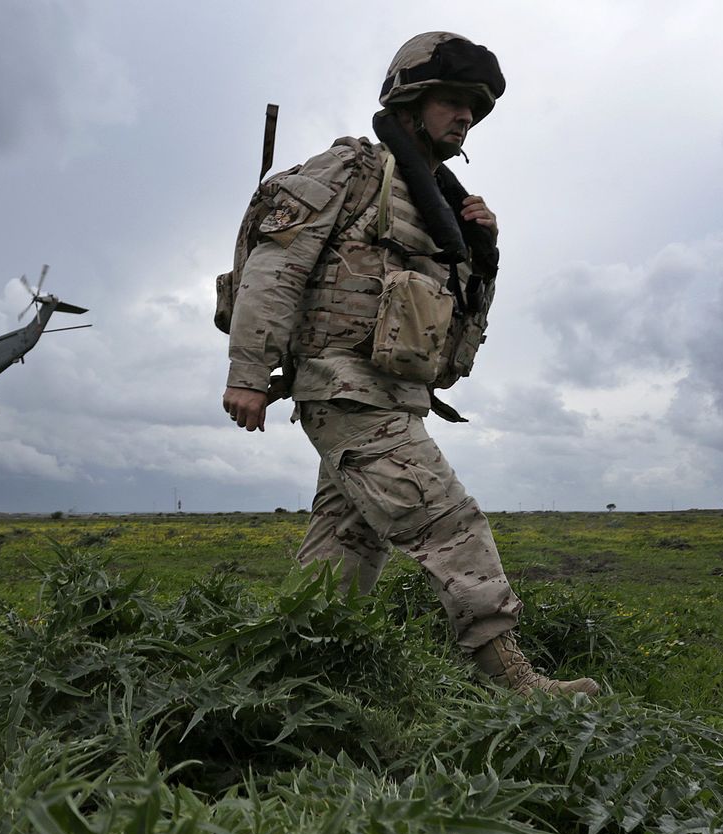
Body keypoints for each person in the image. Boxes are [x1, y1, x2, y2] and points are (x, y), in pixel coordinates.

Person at [220, 31, 598, 696]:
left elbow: (450, 327)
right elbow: (278, 267)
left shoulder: (443, 209)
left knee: (346, 542)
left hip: (393, 396)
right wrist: (249, 373)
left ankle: (297, 677)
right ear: (412, 99)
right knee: (446, 521)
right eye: (454, 103)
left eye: (475, 112)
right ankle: (514, 682)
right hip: (346, 389)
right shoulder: (351, 172)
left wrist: (484, 252)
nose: (466, 119)